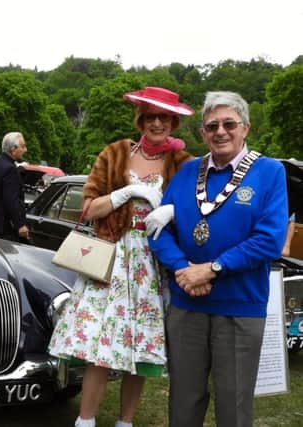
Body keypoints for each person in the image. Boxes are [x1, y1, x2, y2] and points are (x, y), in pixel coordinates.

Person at [48, 87, 195, 427]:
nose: (157, 123)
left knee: (140, 348)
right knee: (99, 345)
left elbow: (197, 213)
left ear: (173, 122)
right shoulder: (115, 154)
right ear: (141, 119)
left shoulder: (185, 165)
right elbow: (88, 208)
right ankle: (85, 420)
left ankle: (125, 422)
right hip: (110, 258)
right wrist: (126, 192)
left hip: (153, 262)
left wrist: (173, 210)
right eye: (151, 117)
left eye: (164, 117)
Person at [148, 91, 288, 427]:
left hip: (239, 307)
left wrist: (211, 270)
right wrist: (183, 269)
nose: (220, 132)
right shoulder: (186, 172)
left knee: (234, 406)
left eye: (229, 124)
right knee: (183, 402)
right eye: (212, 126)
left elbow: (269, 240)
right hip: (187, 306)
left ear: (245, 128)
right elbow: (158, 230)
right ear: (202, 133)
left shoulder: (269, 172)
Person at [0, 131, 30, 242]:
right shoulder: (10, 169)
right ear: (13, 149)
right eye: (23, 146)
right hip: (6, 225)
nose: (25, 150)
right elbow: (11, 199)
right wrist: (20, 224)